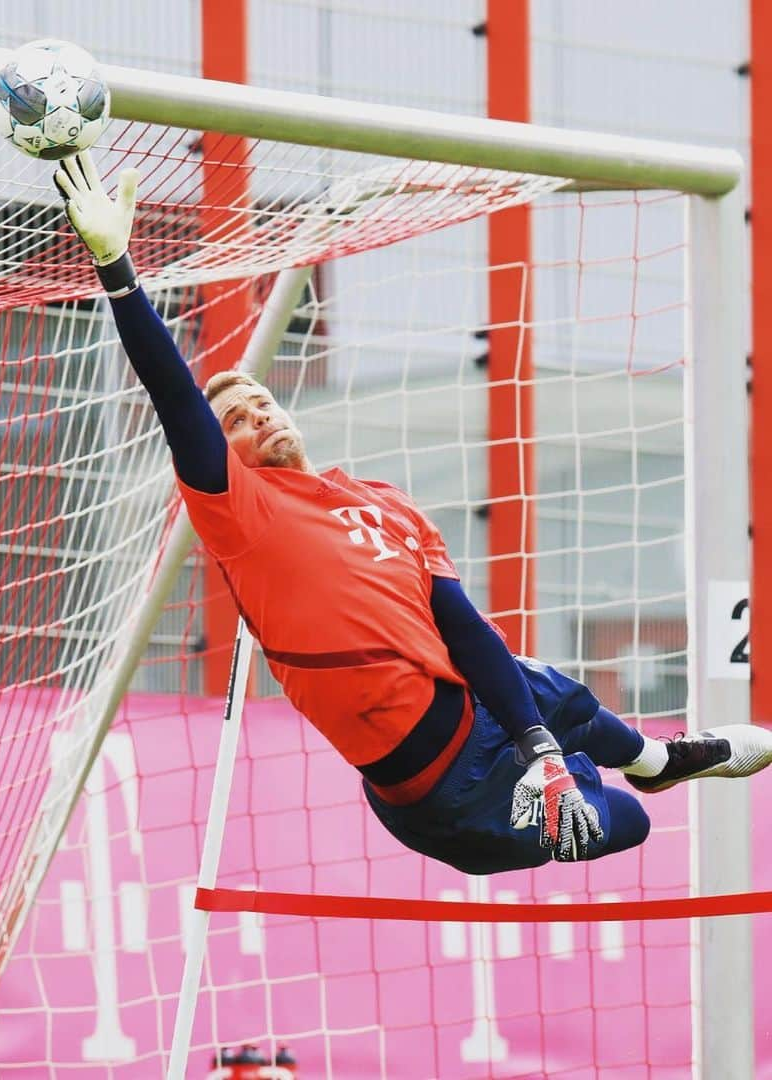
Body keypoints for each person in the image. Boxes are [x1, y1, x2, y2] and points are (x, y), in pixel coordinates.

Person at [54, 150, 772, 874]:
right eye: (237, 420)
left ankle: (657, 757)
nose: (258, 415)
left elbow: (464, 628)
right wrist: (117, 268)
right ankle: (625, 771)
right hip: (438, 800)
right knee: (629, 824)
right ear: (222, 454)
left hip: (485, 723)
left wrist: (539, 749)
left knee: (538, 683)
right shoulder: (243, 512)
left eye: (262, 401)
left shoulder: (386, 503)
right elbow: (176, 397)